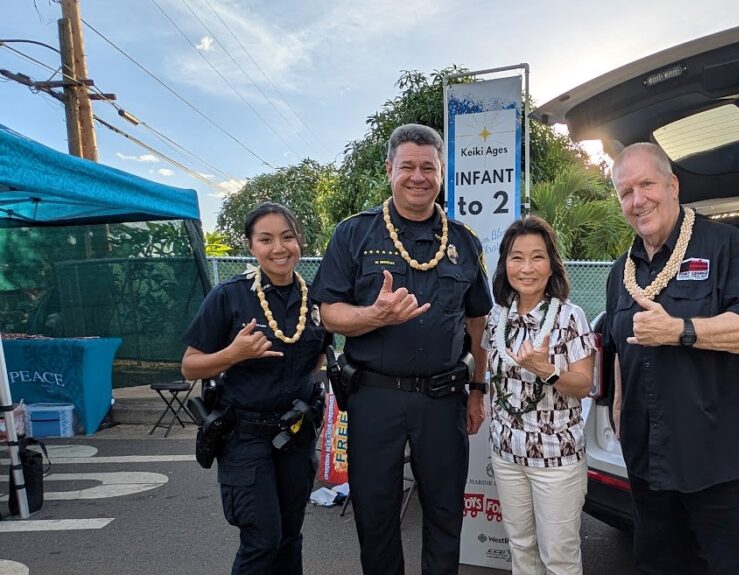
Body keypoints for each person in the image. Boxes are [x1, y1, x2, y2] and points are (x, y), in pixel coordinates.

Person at [311, 123, 491, 575]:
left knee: (446, 513)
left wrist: (476, 390)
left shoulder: (464, 242)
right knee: (375, 515)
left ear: (441, 174)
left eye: (428, 167)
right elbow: (328, 313)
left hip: (444, 399)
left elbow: (477, 323)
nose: (417, 176)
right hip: (375, 398)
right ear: (389, 169)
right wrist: (375, 316)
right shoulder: (354, 235)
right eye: (407, 166)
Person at [604, 143, 739, 575]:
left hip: (716, 464)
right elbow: (619, 345)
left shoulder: (725, 247)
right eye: (626, 192)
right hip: (648, 461)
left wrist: (682, 330)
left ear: (673, 185)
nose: (638, 199)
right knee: (655, 565)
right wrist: (619, 409)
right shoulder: (619, 272)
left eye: (646, 184)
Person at [181, 202, 330, 575]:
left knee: (289, 537)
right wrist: (234, 353)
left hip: (296, 436)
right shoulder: (229, 296)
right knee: (261, 540)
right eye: (266, 239)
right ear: (251, 246)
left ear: (300, 241)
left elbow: (315, 362)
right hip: (244, 438)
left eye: (288, 237)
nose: (279, 248)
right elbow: (189, 366)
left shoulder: (316, 300)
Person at [484, 216, 596, 575]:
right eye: (517, 257)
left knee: (559, 558)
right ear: (505, 264)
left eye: (538, 257)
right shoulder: (496, 317)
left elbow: (584, 385)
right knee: (521, 549)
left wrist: (545, 370)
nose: (527, 268)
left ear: (552, 265)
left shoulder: (570, 317)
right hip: (506, 455)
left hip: (556, 461)